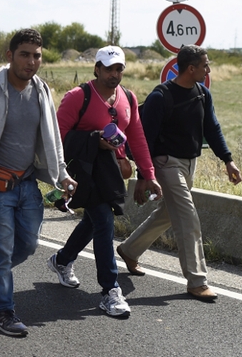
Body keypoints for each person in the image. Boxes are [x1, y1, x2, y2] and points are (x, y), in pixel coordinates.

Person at [0, 28, 76, 336]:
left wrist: (61, 174)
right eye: (25, 54)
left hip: (27, 184)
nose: (31, 61)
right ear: (10, 56)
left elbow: (52, 138)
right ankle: (3, 312)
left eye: (37, 56)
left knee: (28, 245)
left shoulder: (42, 90)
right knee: (4, 250)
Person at [117, 44, 242, 302]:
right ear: (191, 68)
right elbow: (144, 140)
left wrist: (228, 160)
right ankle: (197, 281)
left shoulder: (202, 94)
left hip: (189, 163)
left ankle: (130, 250)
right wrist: (144, 176)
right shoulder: (160, 97)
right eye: (205, 65)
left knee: (168, 214)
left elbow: (213, 129)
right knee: (188, 217)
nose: (208, 70)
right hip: (165, 163)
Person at [48, 45, 163, 318]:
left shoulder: (128, 98)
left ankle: (62, 260)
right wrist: (92, 140)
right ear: (97, 68)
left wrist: (148, 174)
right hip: (83, 172)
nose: (114, 74)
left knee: (93, 221)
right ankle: (110, 290)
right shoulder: (79, 96)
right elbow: (55, 136)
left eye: (119, 69)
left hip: (110, 173)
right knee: (103, 221)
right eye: (109, 68)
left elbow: (137, 137)